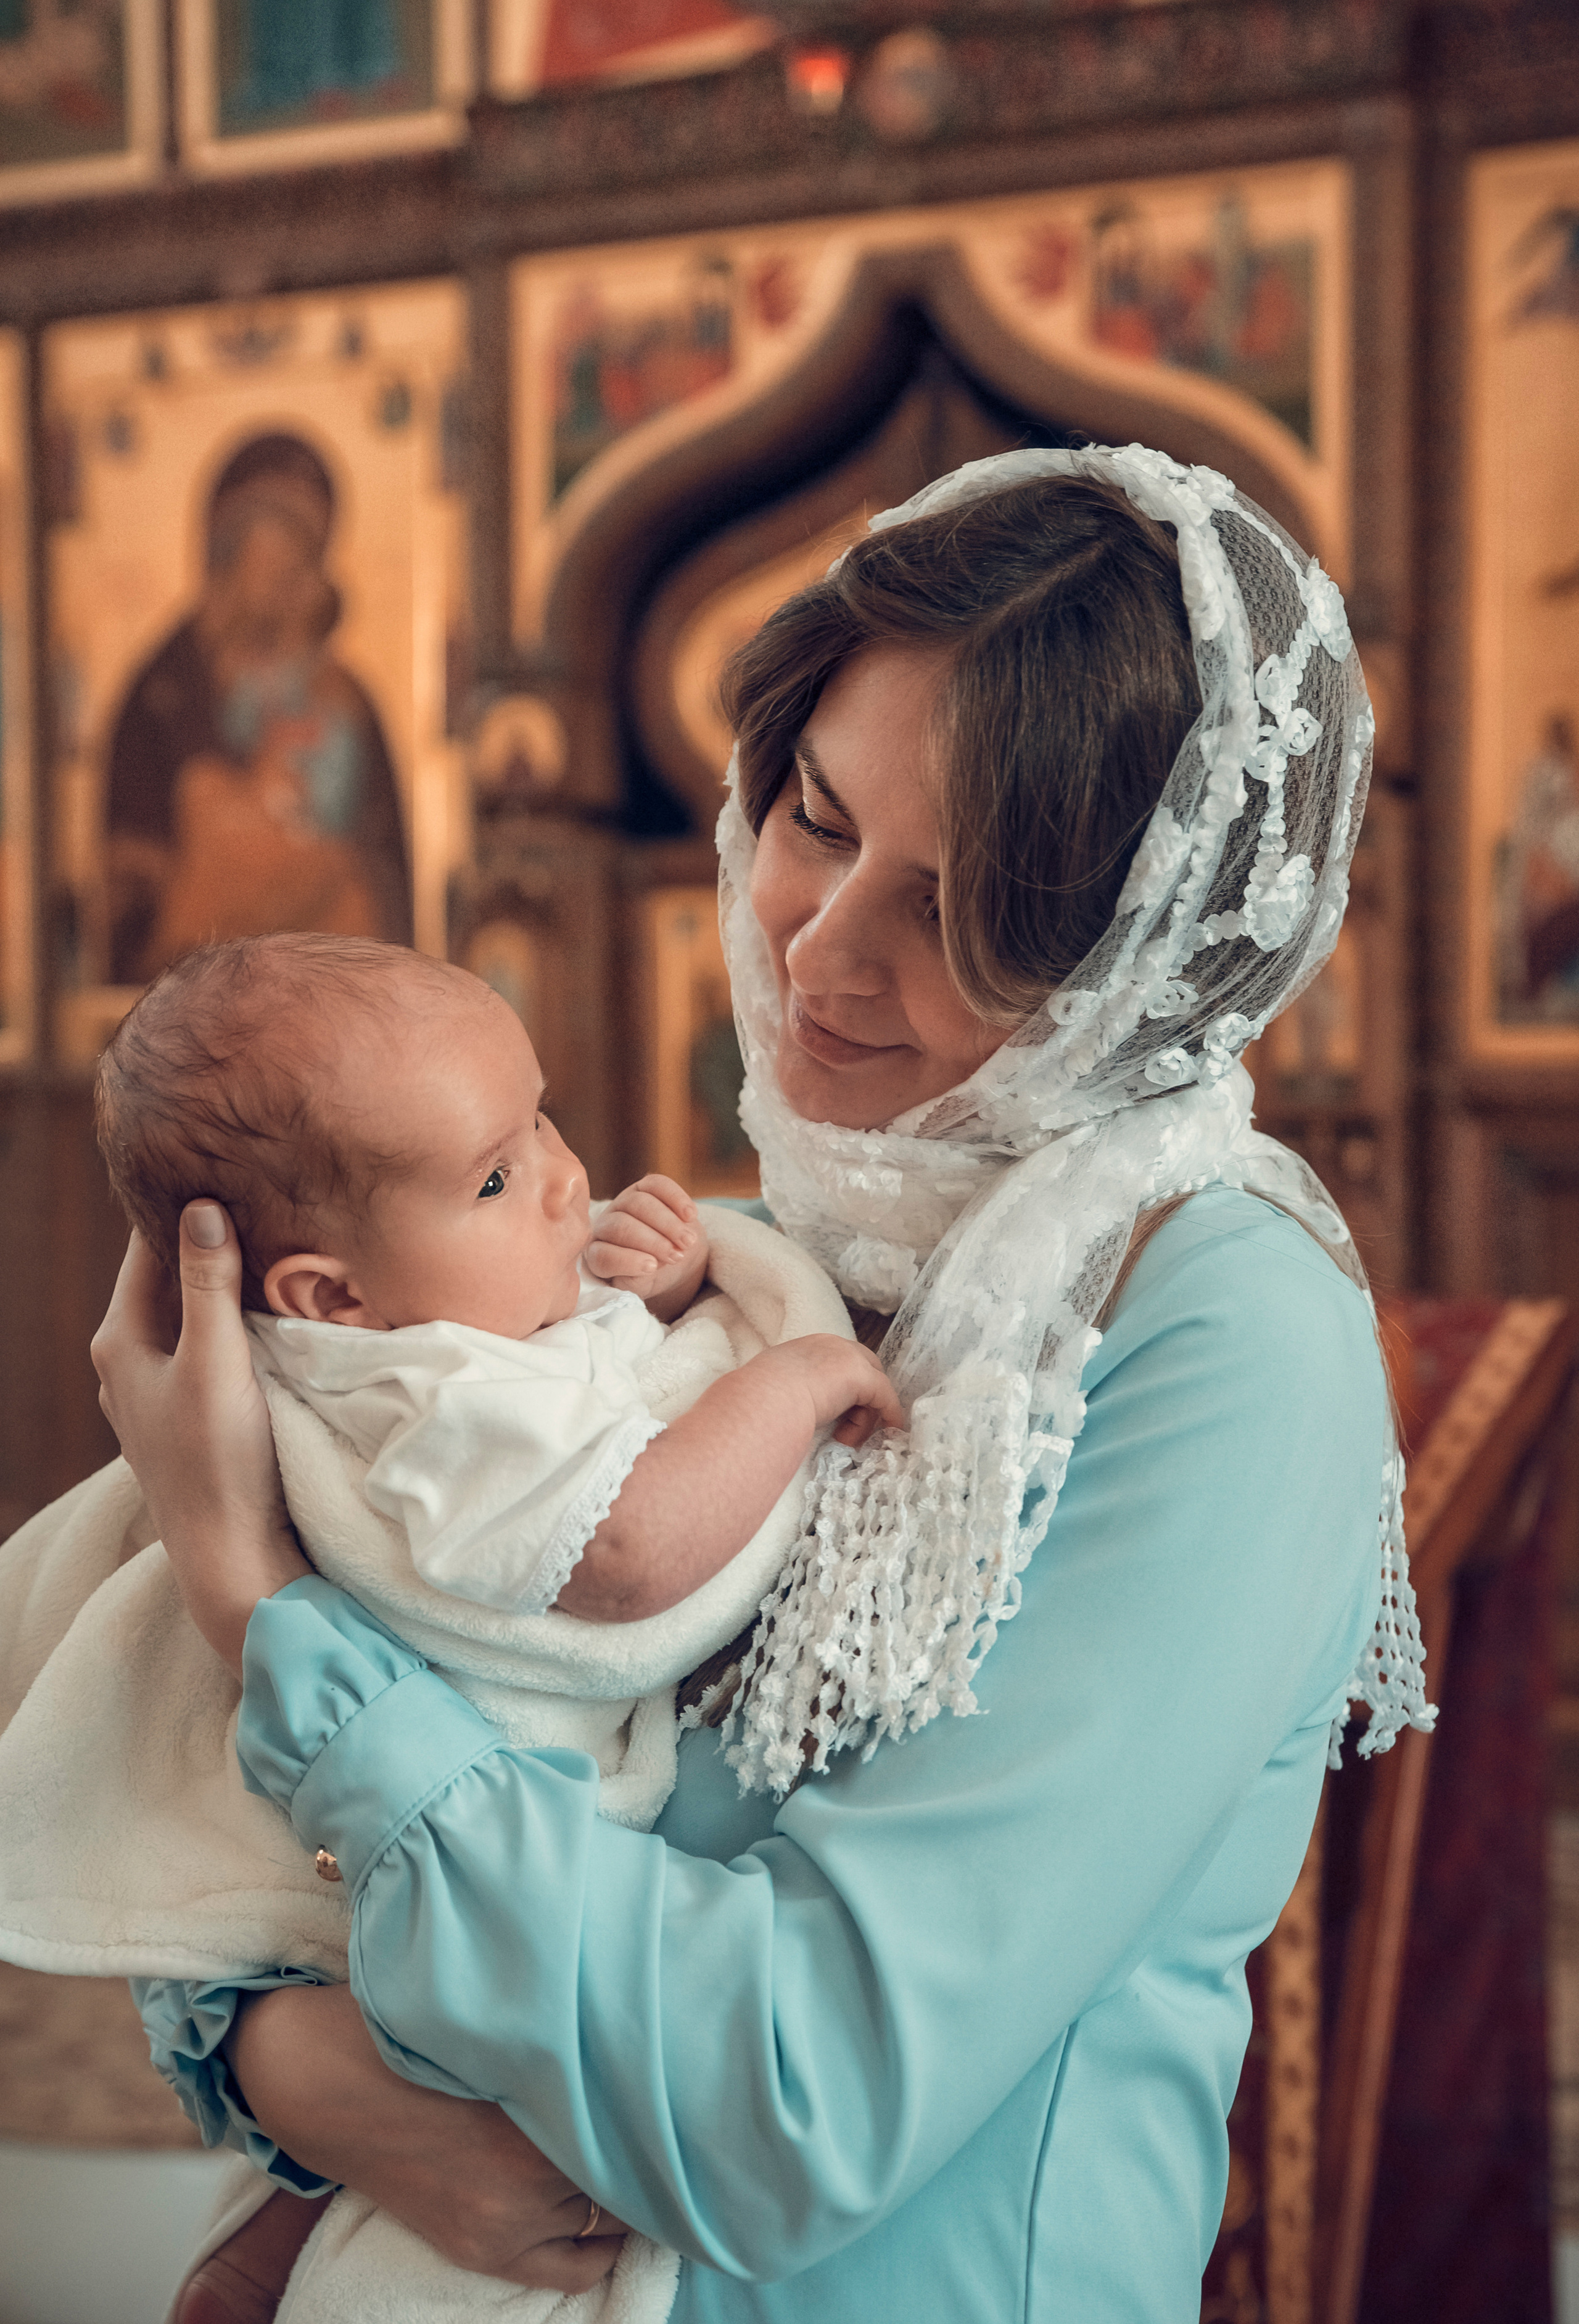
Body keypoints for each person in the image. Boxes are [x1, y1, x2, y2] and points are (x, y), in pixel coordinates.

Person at [88, 445, 1433, 2323]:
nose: (816, 945)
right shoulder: (726, 1249)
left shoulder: (1224, 1323)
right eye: (813, 813)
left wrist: (259, 1603)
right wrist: (301, 2072)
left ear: (1144, 949)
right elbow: (244, 1895)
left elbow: (790, 2098)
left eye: (957, 908)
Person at [94, 932, 897, 1626]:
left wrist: (658, 1298)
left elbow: (589, 1367)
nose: (568, 1181)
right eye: (494, 1180)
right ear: (336, 1299)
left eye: (541, 1121)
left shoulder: (449, 1297)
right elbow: (626, 1550)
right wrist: (792, 1385)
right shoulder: (438, 1397)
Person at [105, 433, 411, 985]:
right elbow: (132, 887)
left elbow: (381, 870)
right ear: (227, 554)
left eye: (303, 562)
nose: (289, 582)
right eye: (274, 561)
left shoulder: (345, 697)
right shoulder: (161, 694)